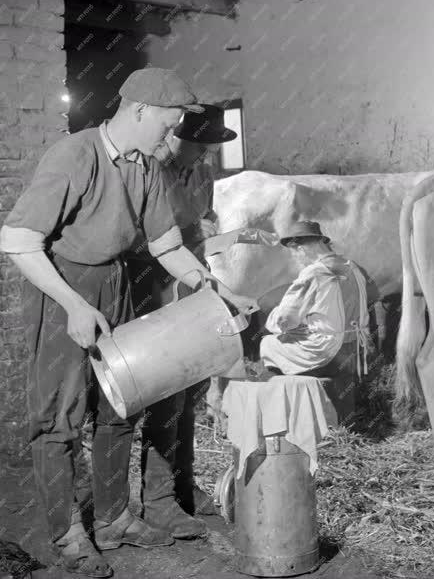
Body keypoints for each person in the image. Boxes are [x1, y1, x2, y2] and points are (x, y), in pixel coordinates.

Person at [0, 69, 256, 578]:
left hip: (114, 284)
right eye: (169, 121)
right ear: (139, 110)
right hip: (64, 285)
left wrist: (212, 287)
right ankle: (67, 532)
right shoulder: (76, 154)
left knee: (122, 402)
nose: (172, 133)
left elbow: (165, 245)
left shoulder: (146, 167)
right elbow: (17, 240)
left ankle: (115, 519)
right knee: (59, 417)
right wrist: (73, 304)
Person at [128, 104, 275, 539]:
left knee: (189, 390)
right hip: (152, 289)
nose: (206, 157)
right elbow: (144, 241)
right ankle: (156, 501)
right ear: (177, 136)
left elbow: (197, 237)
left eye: (211, 149)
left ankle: (181, 487)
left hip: (191, 286)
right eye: (200, 147)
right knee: (164, 396)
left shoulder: (201, 175)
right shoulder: (151, 172)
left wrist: (237, 237)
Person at [260, 220, 371, 379]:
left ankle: (285, 393)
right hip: (356, 347)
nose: (296, 258)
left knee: (269, 344)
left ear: (300, 248)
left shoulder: (314, 272)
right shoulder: (352, 266)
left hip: (329, 351)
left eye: (294, 253)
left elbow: (286, 319)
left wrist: (272, 317)